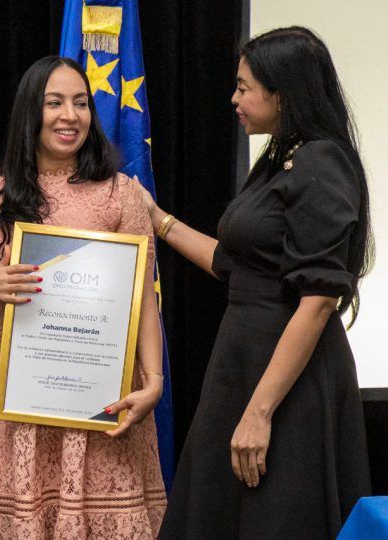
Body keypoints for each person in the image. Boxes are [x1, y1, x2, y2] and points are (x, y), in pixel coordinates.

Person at [148, 27, 372, 539]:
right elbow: (233, 265)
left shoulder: (320, 159)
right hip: (244, 365)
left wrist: (258, 412)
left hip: (285, 382)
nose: (235, 98)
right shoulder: (278, 159)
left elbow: (317, 301)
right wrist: (158, 219)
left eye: (244, 87)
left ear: (282, 92)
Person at [0, 56, 167, 538]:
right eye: (55, 103)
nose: (70, 115)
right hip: (13, 389)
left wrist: (154, 380)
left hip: (101, 389)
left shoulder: (121, 195)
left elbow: (142, 297)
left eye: (81, 103)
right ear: (31, 111)